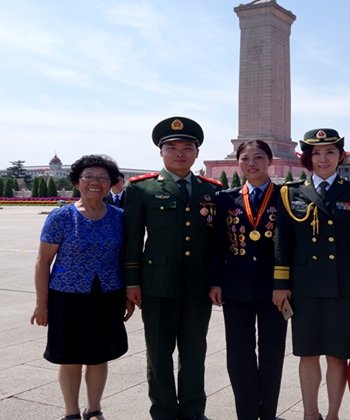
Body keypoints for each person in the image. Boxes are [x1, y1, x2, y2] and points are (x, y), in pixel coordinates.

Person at [123, 116, 222, 420]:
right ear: (161, 152)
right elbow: (132, 239)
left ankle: (193, 411)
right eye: (173, 148)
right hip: (157, 284)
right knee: (158, 353)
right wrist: (132, 282)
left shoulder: (212, 190)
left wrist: (216, 280)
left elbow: (218, 243)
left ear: (197, 153)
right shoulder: (142, 189)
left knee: (195, 352)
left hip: (198, 285)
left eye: (187, 148)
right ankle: (164, 411)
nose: (180, 153)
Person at [272, 128, 350, 420]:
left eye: (330, 152)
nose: (323, 158)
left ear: (340, 156)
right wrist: (280, 284)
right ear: (307, 158)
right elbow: (282, 241)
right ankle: (310, 413)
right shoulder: (290, 192)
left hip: (343, 286)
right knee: (307, 354)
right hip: (304, 287)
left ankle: (332, 414)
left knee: (337, 355)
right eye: (316, 153)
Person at [31, 154, 134, 420]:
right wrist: (42, 304)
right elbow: (43, 261)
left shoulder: (120, 217)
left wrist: (128, 295)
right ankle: (71, 412)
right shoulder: (61, 217)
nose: (95, 182)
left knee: (99, 355)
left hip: (107, 296)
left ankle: (94, 408)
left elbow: (125, 258)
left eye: (102, 178)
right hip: (67, 297)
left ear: (111, 183)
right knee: (70, 356)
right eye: (88, 177)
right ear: (77, 182)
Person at [209, 140, 288, 420]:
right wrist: (215, 281)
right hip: (236, 288)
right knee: (239, 355)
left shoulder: (285, 196)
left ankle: (268, 413)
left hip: (274, 290)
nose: (251, 163)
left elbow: (289, 245)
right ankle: (246, 413)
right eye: (245, 158)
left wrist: (284, 285)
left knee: (272, 354)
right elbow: (217, 244)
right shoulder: (225, 199)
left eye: (258, 157)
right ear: (238, 162)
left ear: (270, 161)